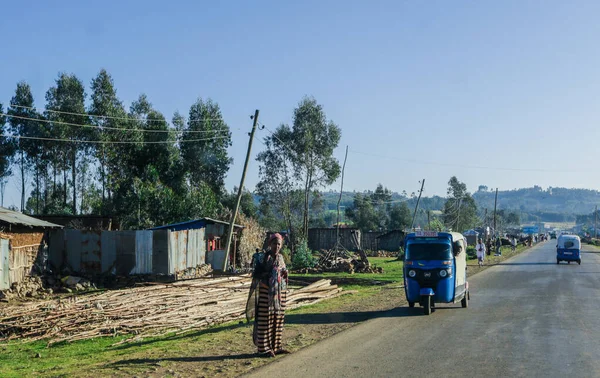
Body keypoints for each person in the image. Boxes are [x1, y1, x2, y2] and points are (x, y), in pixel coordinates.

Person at [246, 233, 289, 357]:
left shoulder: (280, 258)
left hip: (280, 294)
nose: (277, 246)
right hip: (266, 293)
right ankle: (263, 349)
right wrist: (268, 284)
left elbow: (283, 272)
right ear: (270, 244)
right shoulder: (263, 258)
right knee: (265, 321)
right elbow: (257, 276)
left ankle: (276, 346)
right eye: (274, 243)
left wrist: (285, 274)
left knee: (278, 320)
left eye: (279, 244)